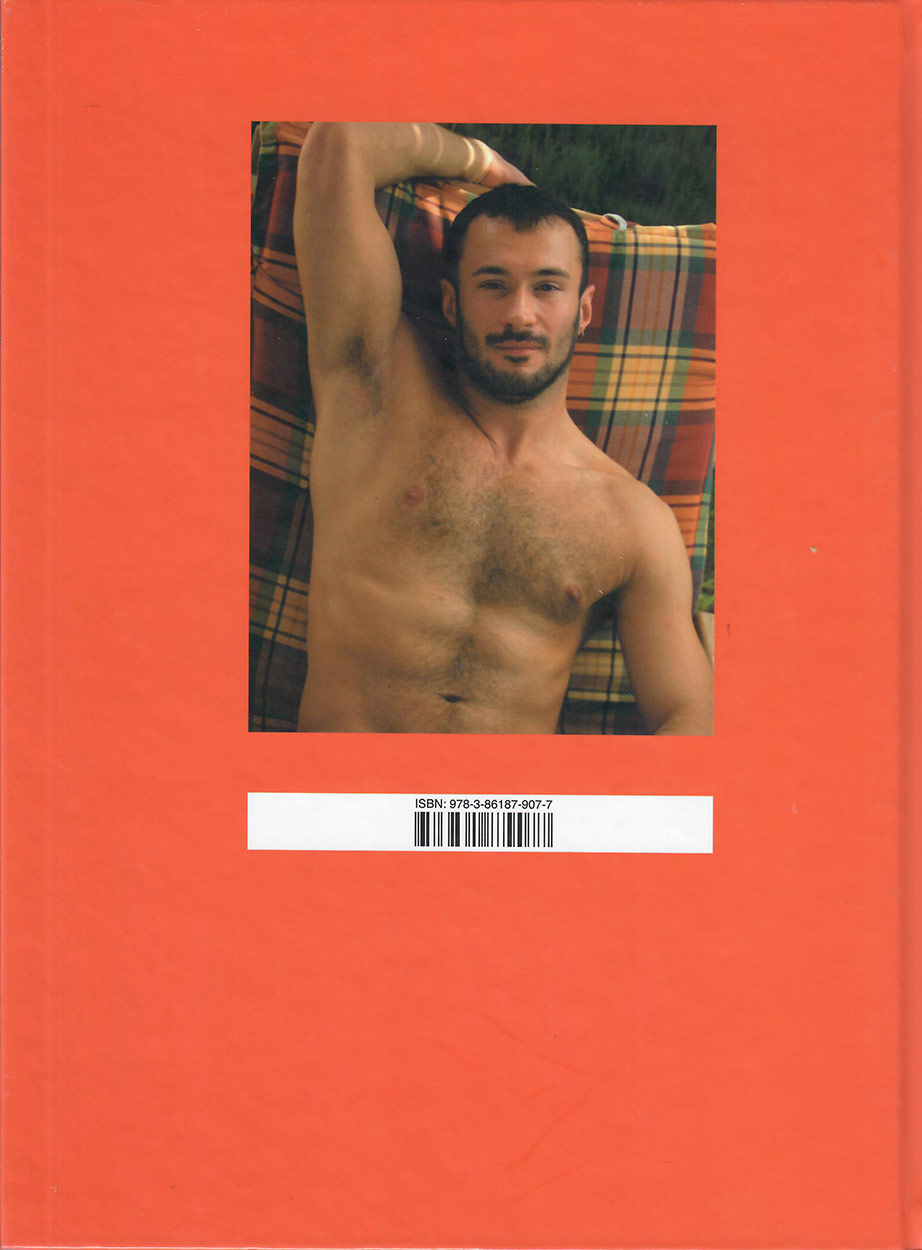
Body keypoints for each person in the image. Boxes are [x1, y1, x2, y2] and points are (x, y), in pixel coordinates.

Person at [293, 122, 712, 734]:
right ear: (451, 302)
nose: (520, 314)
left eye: (547, 287)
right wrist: (483, 163)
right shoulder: (372, 392)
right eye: (493, 285)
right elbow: (342, 141)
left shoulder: (634, 520)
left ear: (584, 310)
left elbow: (690, 713)